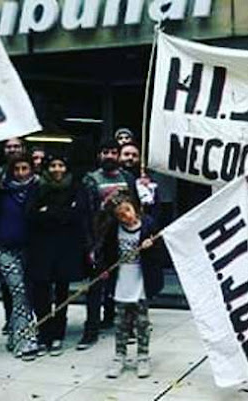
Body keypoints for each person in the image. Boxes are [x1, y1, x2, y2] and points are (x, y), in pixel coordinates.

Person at [78, 139, 138, 350]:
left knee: (125, 284)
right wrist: (89, 245)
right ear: (100, 155)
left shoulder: (128, 178)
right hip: (100, 241)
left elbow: (136, 207)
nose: (110, 156)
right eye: (106, 152)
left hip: (124, 238)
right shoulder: (90, 180)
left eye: (114, 152)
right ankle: (91, 331)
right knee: (95, 287)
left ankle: (125, 326)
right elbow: (84, 215)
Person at [27, 154, 89, 356]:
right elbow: (31, 214)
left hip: (66, 248)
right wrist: (61, 213)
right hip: (41, 248)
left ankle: (58, 334)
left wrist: (48, 212)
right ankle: (43, 333)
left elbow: (78, 214)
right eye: (52, 165)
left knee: (62, 292)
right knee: (41, 292)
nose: (56, 169)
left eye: (61, 165)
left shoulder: (76, 187)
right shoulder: (37, 187)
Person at [97, 195, 165, 379]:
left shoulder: (149, 226)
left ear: (135, 208)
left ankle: (143, 356)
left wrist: (151, 246)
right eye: (120, 214)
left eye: (127, 210)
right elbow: (105, 251)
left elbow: (161, 253)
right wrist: (104, 269)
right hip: (122, 280)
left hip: (141, 279)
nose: (126, 216)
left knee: (142, 322)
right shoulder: (114, 230)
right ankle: (119, 356)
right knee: (121, 322)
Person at [0, 155, 40, 361]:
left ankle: (15, 336)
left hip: (30, 249)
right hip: (5, 249)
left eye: (25, 168)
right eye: (17, 169)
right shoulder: (2, 192)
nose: (21, 173)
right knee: (19, 292)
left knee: (24, 294)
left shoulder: (38, 189)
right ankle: (26, 341)